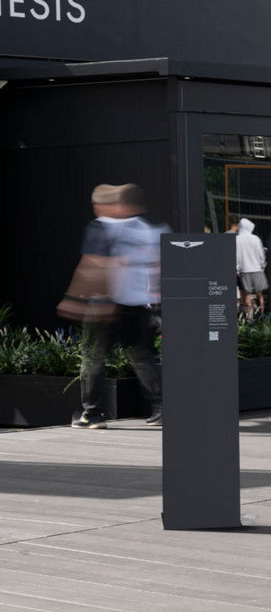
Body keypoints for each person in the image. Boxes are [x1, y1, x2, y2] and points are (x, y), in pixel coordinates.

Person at [66, 183, 168, 428]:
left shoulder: (102, 227)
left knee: (93, 357)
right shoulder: (151, 229)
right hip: (138, 304)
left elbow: (93, 264)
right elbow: (159, 266)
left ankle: (93, 413)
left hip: (105, 302)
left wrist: (74, 297)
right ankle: (162, 407)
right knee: (143, 356)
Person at [233, 216, 268, 317]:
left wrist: (237, 269)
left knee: (246, 294)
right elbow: (261, 254)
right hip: (257, 269)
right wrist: (262, 267)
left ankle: (248, 317)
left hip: (244, 271)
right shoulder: (255, 238)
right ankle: (262, 314)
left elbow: (236, 255)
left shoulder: (237, 239)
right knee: (260, 294)